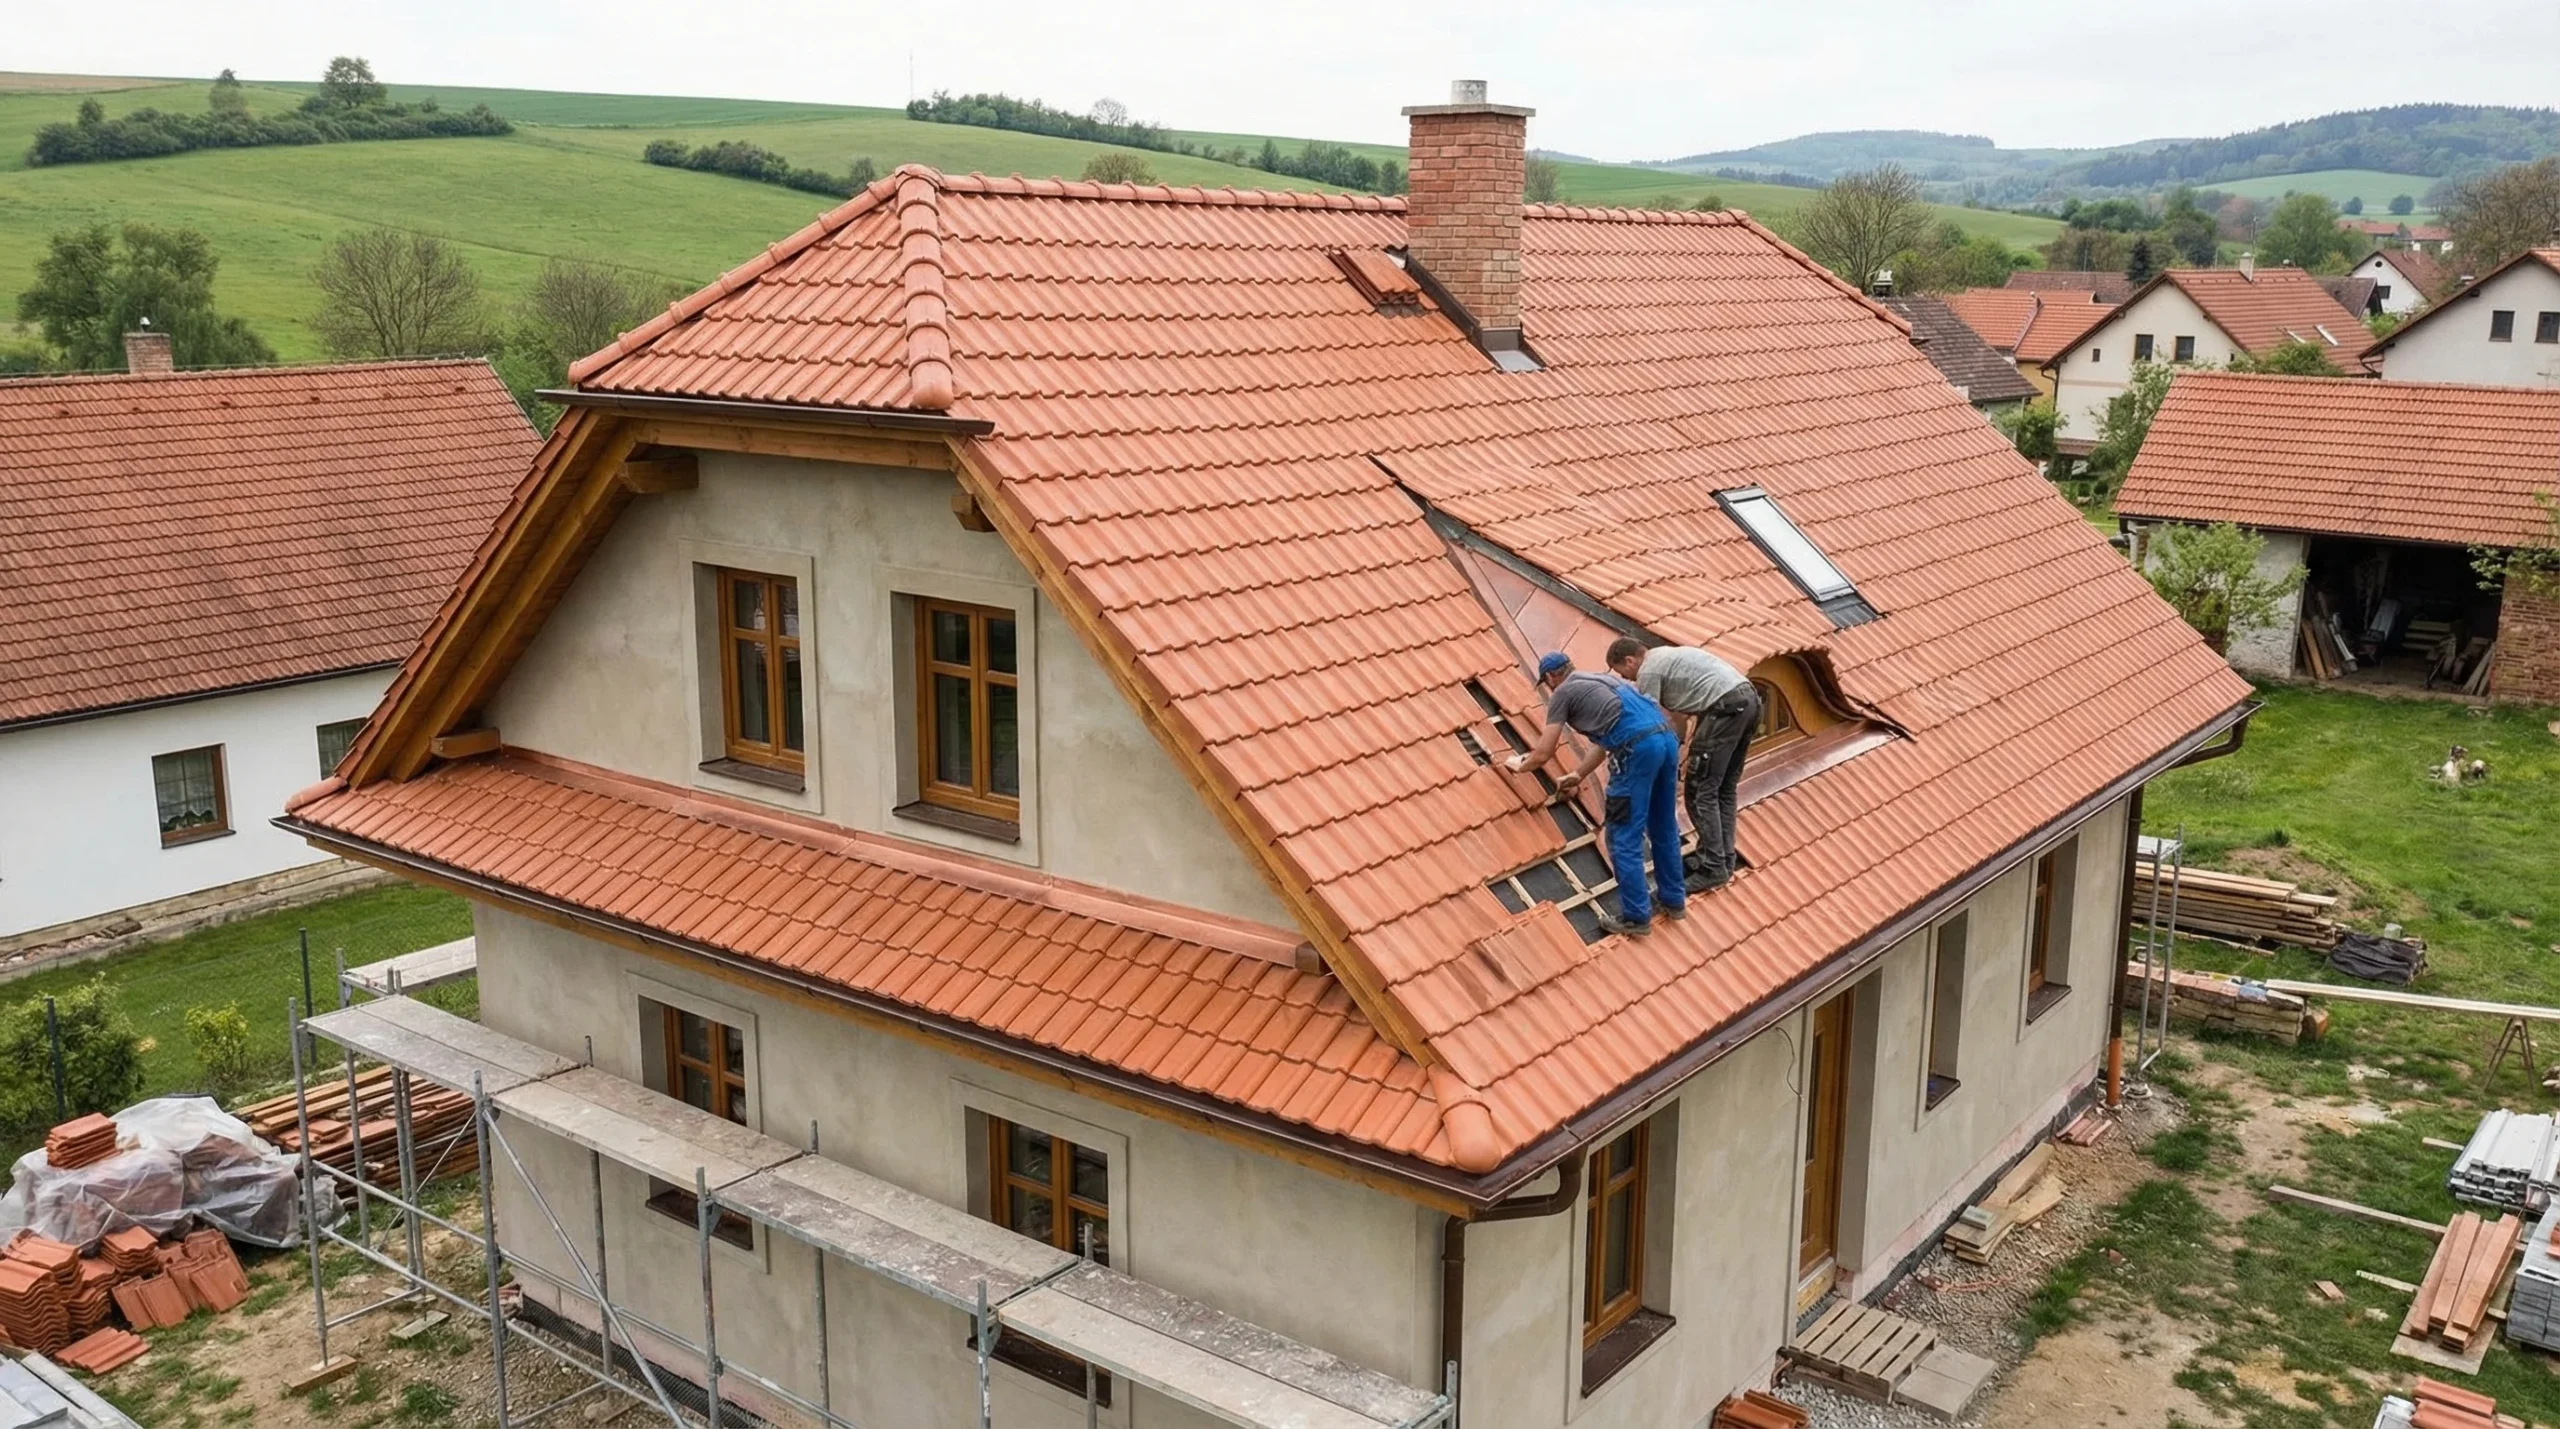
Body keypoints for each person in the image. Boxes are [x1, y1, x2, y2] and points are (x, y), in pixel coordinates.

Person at [1502, 650, 1685, 936]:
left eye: (1547, 682)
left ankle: (1636, 917)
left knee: (1623, 836)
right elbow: (1611, 735)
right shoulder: (1603, 681)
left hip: (1637, 753)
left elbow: (1544, 751)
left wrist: (1520, 766)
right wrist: (1578, 774)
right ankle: (1673, 900)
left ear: (1550, 677)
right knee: (1663, 825)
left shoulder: (1563, 693)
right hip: (1666, 742)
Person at [1607, 638, 1759, 894]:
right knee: (1721, 789)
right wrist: (1673, 752)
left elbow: (1650, 722)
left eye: (1625, 673)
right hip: (1748, 702)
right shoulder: (1666, 657)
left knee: (1700, 792)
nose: (1630, 680)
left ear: (1630, 661)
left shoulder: (1648, 672)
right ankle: (1722, 858)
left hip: (1724, 709)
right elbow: (1677, 719)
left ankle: (1713, 868)